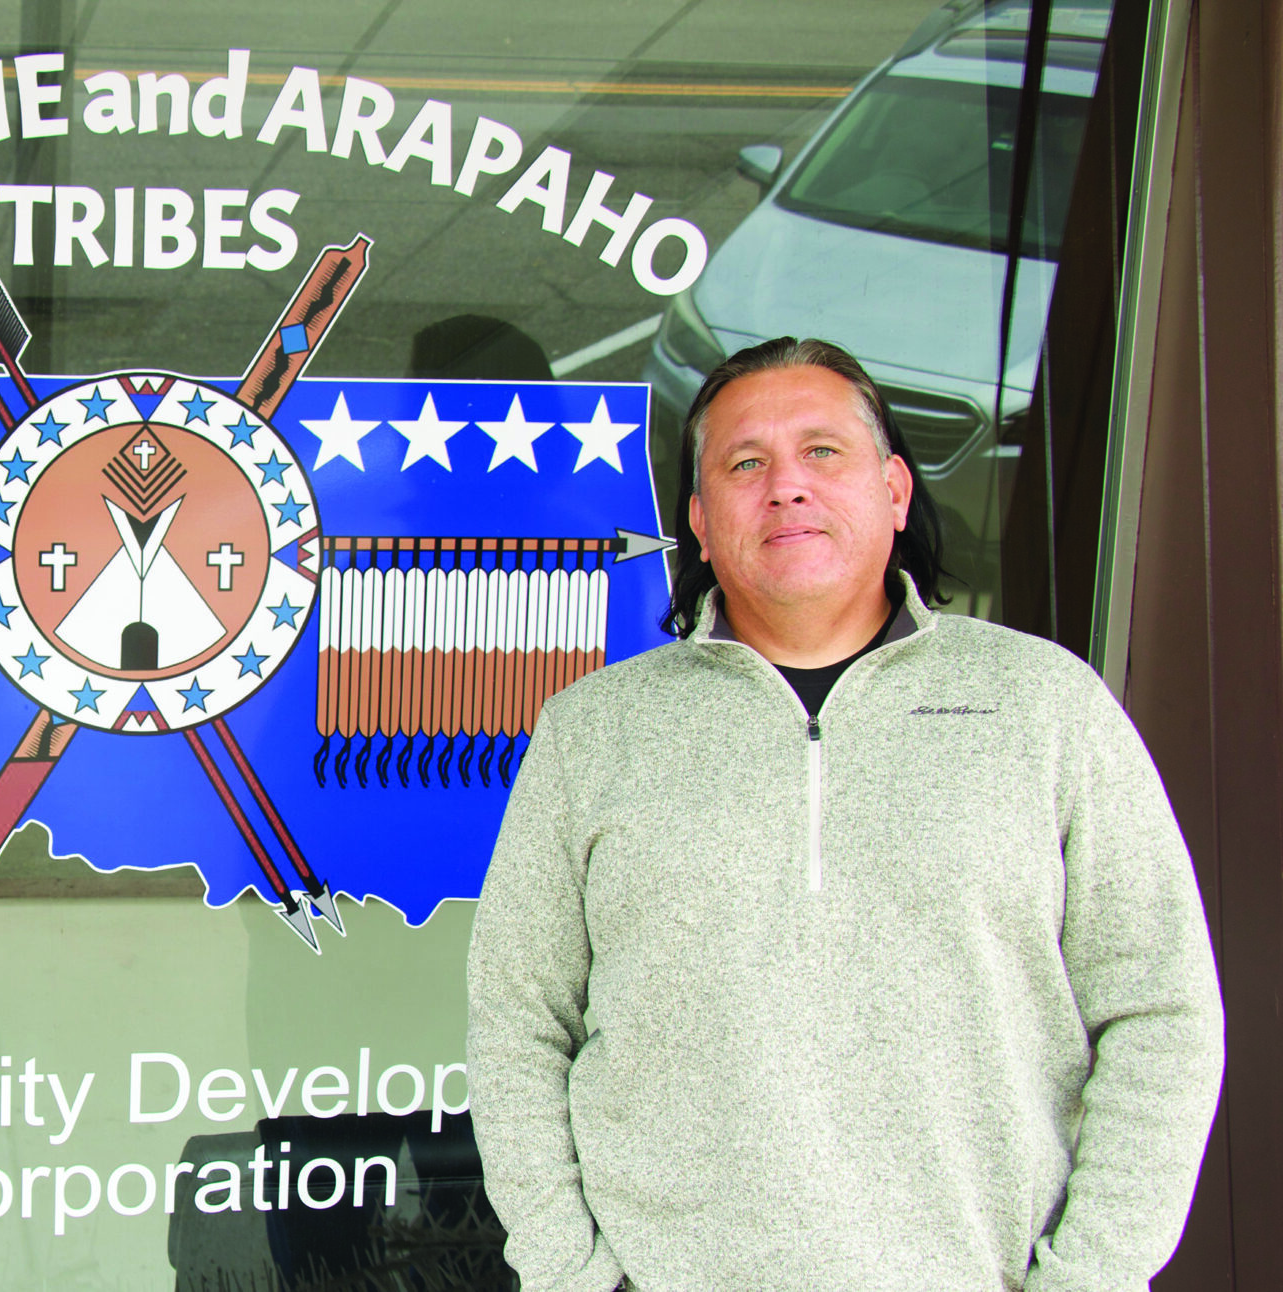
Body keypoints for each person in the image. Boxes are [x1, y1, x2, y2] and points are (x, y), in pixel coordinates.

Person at [465, 337, 1223, 1291]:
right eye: (746, 464)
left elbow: (1161, 1014)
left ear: (896, 491)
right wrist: (572, 1274)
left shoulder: (1044, 705)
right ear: (700, 521)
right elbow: (516, 1022)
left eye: (823, 451)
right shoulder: (596, 732)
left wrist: (1092, 1277)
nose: (786, 486)